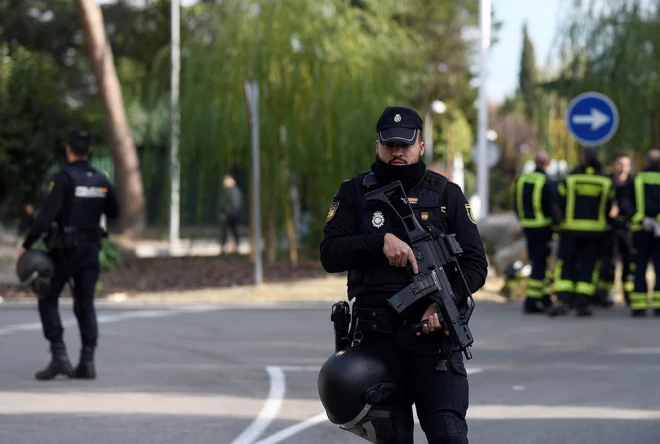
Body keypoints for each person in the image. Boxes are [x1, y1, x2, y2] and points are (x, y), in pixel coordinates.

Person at [319, 106, 488, 443]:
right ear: (377, 146)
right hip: (376, 346)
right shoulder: (354, 193)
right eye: (390, 144)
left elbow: (475, 264)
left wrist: (444, 305)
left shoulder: (445, 195)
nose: (397, 151)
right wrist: (377, 242)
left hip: (435, 345)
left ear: (421, 147)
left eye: (405, 145)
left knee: (450, 436)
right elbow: (330, 253)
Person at [16, 129, 120, 380]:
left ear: (68, 150)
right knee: (85, 304)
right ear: (90, 150)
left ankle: (59, 356)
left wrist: (27, 244)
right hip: (90, 251)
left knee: (47, 298)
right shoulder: (101, 180)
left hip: (63, 251)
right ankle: (87, 361)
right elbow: (114, 212)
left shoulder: (63, 178)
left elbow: (45, 217)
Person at [551, 147, 614, 317]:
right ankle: (582, 302)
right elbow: (610, 207)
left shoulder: (571, 179)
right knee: (589, 266)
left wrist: (559, 222)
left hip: (570, 230)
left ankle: (563, 300)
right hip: (595, 232)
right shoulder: (605, 181)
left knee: (566, 265)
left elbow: (558, 201)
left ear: (583, 159)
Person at [512, 150, 562, 314]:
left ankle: (542, 297)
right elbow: (553, 206)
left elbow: (516, 204)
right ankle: (532, 301)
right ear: (547, 164)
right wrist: (558, 225)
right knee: (541, 264)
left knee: (536, 262)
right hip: (543, 228)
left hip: (527, 227)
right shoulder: (547, 181)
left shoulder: (522, 179)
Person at [620, 149, 660, 317]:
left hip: (639, 230)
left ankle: (639, 306)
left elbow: (624, 203)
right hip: (659, 231)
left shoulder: (635, 179)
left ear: (645, 163)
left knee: (640, 267)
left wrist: (641, 219)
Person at [595, 153, 634, 307]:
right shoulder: (608, 181)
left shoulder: (633, 182)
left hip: (627, 227)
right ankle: (605, 295)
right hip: (610, 227)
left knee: (629, 262)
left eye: (626, 164)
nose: (623, 167)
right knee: (608, 262)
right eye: (620, 163)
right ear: (614, 165)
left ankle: (629, 295)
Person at [220, 175, 243, 254]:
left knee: (229, 231)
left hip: (230, 215)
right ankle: (234, 247)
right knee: (234, 230)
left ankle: (229, 247)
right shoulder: (237, 191)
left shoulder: (229, 191)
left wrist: (226, 212)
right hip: (235, 214)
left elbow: (227, 204)